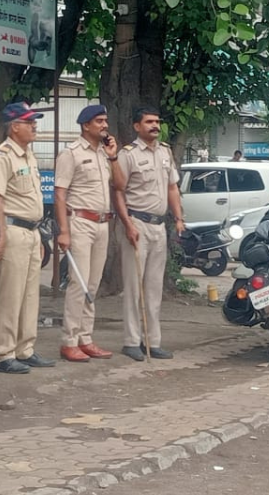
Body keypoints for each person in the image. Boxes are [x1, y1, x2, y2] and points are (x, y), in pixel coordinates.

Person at [0, 102, 57, 374]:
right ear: (14, 126)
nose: (34, 126)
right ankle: (4, 353)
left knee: (30, 294)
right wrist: (1, 236)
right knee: (10, 294)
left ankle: (24, 348)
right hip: (13, 230)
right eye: (29, 122)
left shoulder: (28, 155)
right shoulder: (2, 156)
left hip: (31, 230)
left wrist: (39, 236)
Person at [113, 106, 186, 361]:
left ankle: (152, 341)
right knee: (134, 286)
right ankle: (132, 341)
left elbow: (172, 188)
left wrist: (178, 218)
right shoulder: (128, 154)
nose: (154, 126)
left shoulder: (165, 151)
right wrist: (127, 224)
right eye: (149, 122)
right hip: (137, 224)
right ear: (136, 126)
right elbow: (118, 191)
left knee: (154, 287)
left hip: (159, 226)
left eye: (157, 122)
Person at [55, 104, 120, 362]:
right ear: (86, 125)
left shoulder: (105, 153)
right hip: (80, 221)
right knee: (78, 283)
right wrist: (63, 231)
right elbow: (59, 193)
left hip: (103, 223)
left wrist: (114, 156)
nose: (105, 125)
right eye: (100, 121)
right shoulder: (71, 153)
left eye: (105, 120)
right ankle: (69, 340)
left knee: (92, 284)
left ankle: (86, 337)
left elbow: (121, 185)